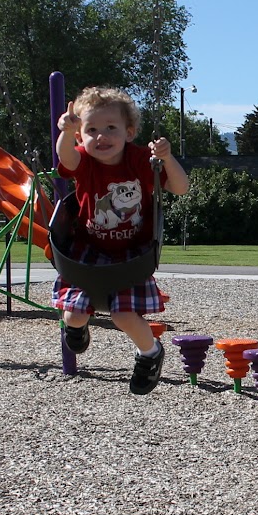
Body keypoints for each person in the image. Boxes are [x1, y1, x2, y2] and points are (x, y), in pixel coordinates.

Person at [53, 86, 189, 394]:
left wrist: (167, 158)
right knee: (73, 315)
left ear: (129, 132)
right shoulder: (83, 159)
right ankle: (76, 329)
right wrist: (66, 132)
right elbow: (66, 159)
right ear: (81, 137)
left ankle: (150, 354)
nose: (101, 136)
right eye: (91, 130)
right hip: (88, 251)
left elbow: (181, 188)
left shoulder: (140, 160)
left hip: (132, 255)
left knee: (123, 315)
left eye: (110, 128)